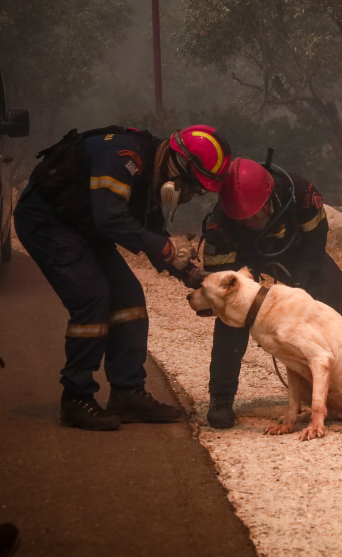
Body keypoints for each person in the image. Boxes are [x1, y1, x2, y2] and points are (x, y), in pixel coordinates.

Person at [14, 124, 232, 430]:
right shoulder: (123, 157)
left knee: (129, 298)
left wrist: (193, 274)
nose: (191, 195)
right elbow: (111, 217)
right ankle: (76, 398)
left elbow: (151, 233)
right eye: (194, 186)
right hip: (48, 221)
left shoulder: (154, 177)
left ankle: (127, 393)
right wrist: (165, 247)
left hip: (84, 225)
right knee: (93, 298)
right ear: (178, 164)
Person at [201, 157, 342, 428]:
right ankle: (221, 397)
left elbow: (317, 239)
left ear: (269, 196)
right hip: (243, 259)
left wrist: (300, 286)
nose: (253, 221)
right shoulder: (219, 228)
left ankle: (332, 379)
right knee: (230, 316)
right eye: (244, 219)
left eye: (257, 214)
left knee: (333, 285)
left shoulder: (301, 193)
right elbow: (217, 286)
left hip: (296, 251)